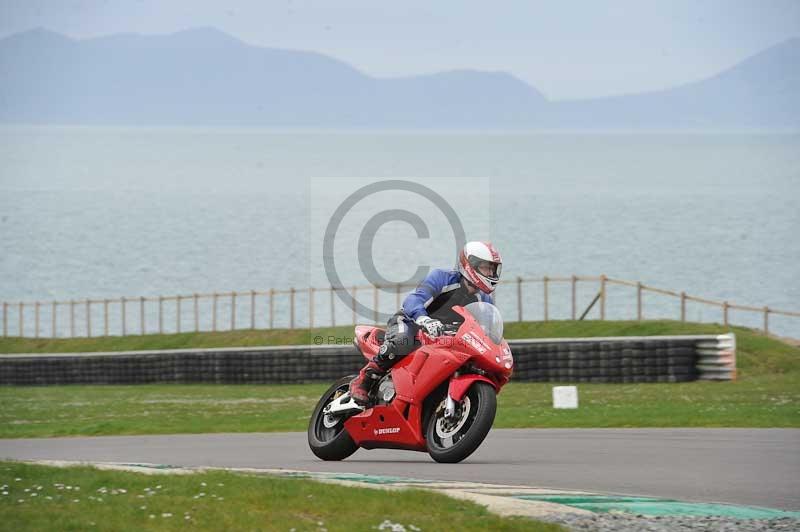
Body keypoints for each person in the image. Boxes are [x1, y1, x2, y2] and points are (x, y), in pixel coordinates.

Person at [348, 241, 503, 405]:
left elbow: (485, 329)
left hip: (444, 338)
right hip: (411, 323)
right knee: (402, 342)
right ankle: (364, 381)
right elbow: (414, 300)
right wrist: (424, 319)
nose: (490, 273)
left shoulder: (484, 300)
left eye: (493, 269)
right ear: (471, 264)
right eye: (486, 267)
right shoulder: (442, 278)